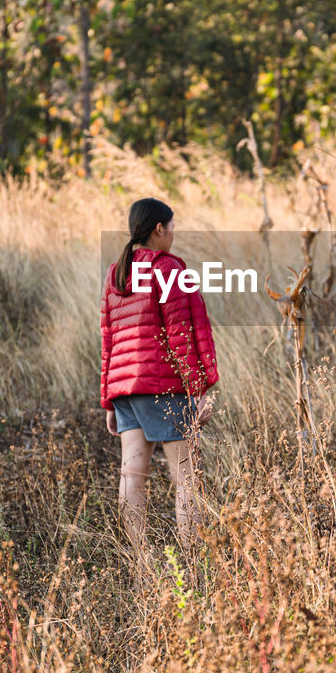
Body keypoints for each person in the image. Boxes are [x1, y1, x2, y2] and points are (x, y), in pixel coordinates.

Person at [100, 197, 218, 566]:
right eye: (172, 227)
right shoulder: (168, 269)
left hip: (126, 390)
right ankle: (195, 570)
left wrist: (109, 397)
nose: (174, 234)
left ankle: (141, 567)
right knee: (187, 479)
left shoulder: (115, 272)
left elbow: (108, 338)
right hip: (162, 386)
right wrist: (197, 391)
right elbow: (182, 335)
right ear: (158, 229)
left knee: (132, 476)